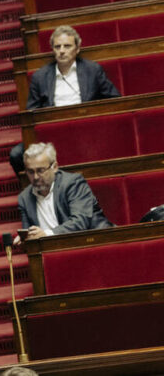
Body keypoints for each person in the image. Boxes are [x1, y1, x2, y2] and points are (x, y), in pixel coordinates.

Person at [9, 25, 120, 173]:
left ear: (77, 49)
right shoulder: (40, 77)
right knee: (16, 154)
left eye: (67, 46)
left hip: (87, 130)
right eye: (57, 46)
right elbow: (31, 114)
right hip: (52, 133)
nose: (61, 50)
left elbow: (115, 100)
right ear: (53, 50)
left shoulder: (92, 70)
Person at [13, 142, 113, 246]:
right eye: (30, 172)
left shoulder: (73, 183)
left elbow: (80, 222)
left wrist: (46, 234)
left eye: (40, 171)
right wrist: (25, 238)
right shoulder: (24, 198)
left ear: (55, 167)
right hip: (55, 252)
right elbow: (30, 237)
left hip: (95, 243)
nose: (36, 177)